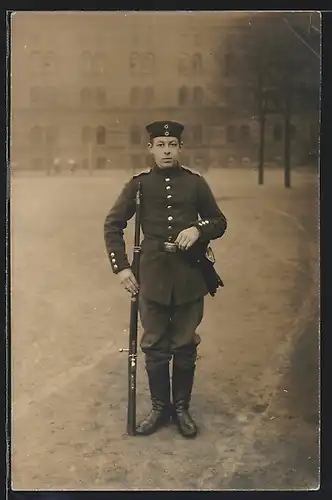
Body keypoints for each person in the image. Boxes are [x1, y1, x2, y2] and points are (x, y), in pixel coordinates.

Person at [104, 121, 227, 438]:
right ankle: (160, 408)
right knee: (155, 345)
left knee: (185, 345)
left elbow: (219, 221)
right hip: (152, 276)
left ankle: (181, 408)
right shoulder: (139, 185)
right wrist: (122, 268)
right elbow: (113, 224)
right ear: (151, 149)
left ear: (180, 148)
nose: (167, 150)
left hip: (189, 275)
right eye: (160, 144)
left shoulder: (195, 184)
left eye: (172, 144)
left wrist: (198, 229)